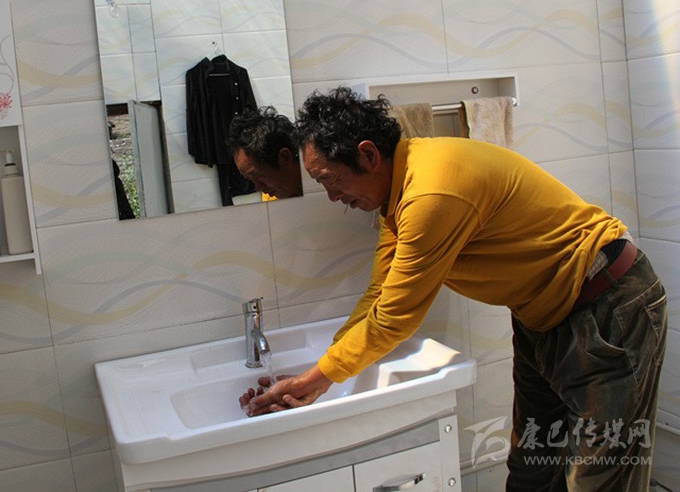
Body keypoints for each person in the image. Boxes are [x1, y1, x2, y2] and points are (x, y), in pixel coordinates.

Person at [240, 86, 667, 491]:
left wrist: (316, 380)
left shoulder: (430, 191)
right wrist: (318, 370)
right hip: (544, 317)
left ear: (368, 155)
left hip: (606, 306)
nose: (333, 197)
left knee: (599, 479)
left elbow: (393, 319)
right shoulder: (399, 193)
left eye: (330, 180)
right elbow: (380, 294)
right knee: (532, 470)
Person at [227, 106, 303, 201]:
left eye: (256, 176)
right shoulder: (271, 199)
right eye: (249, 178)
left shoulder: (319, 180)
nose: (258, 188)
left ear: (285, 157)